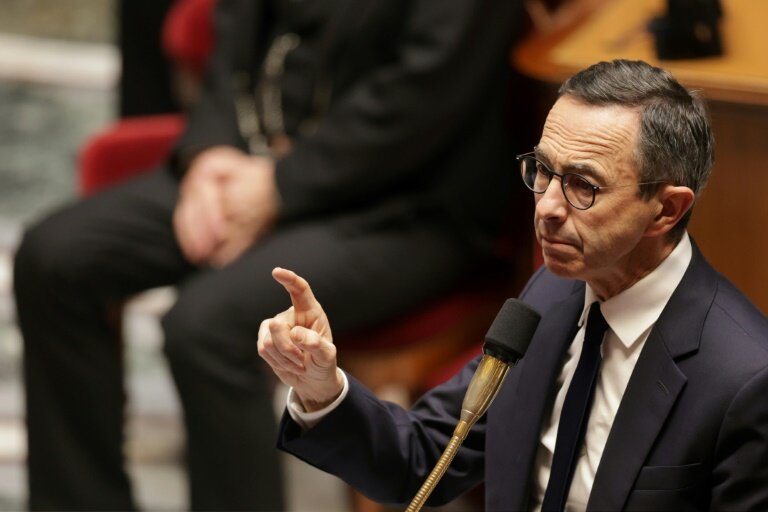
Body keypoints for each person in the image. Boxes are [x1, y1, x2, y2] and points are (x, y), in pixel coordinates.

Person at [12, 0, 526, 510]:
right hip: (252, 157)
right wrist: (209, 154)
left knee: (207, 324)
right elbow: (231, 32)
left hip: (403, 203)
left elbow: (427, 96)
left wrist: (279, 187)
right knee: (55, 258)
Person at [258, 59, 768, 511]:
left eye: (583, 186)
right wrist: (320, 387)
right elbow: (425, 457)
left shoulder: (745, 381)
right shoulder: (549, 295)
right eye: (543, 171)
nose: (546, 207)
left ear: (667, 209)